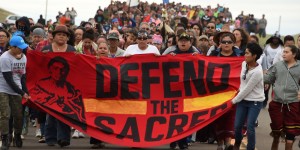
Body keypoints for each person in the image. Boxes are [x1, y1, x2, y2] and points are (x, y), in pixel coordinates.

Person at [40, 25, 76, 147]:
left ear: (67, 38)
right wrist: (41, 57)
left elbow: (78, 66)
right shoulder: (46, 49)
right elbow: (38, 66)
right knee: (51, 113)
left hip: (65, 85)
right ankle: (50, 138)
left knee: (65, 112)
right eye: (59, 34)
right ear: (54, 36)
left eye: (64, 35)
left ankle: (64, 138)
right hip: (49, 86)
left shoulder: (72, 50)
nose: (62, 36)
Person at [209, 32, 243, 150]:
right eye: (224, 42)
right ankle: (220, 143)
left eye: (229, 42)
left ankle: (228, 143)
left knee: (231, 117)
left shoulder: (240, 56)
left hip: (234, 92)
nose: (226, 44)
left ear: (233, 43)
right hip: (217, 92)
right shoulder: (213, 55)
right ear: (220, 44)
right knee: (218, 118)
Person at [264, 45, 300, 150]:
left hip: (293, 103)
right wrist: (257, 73)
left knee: (290, 134)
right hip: (277, 103)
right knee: (276, 133)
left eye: (286, 52)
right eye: (283, 52)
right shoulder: (278, 65)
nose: (283, 54)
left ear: (294, 54)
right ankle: (276, 139)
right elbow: (269, 78)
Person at [229, 42, 264, 150]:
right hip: (243, 101)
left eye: (247, 53)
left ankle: (250, 148)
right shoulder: (244, 64)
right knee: (237, 126)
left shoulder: (258, 72)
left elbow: (247, 89)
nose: (245, 55)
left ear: (254, 56)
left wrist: (233, 101)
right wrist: (238, 92)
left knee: (250, 127)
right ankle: (237, 143)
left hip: (255, 102)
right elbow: (243, 83)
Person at [0, 35, 30, 150]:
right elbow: (9, 80)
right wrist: (23, 93)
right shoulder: (4, 58)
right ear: (12, 47)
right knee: (5, 115)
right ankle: (5, 138)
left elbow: (22, 77)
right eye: (19, 47)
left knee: (18, 115)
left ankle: (17, 135)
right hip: (3, 89)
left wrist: (26, 91)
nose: (21, 49)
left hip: (16, 89)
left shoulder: (24, 57)